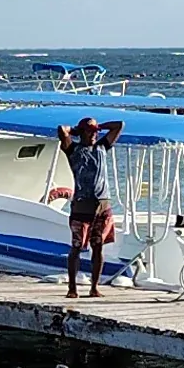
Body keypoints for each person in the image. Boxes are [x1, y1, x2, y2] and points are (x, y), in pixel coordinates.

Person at [55, 115, 123, 297]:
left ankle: (94, 287)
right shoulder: (73, 149)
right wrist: (75, 130)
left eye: (95, 132)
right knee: (77, 246)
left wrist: (98, 125)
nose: (93, 134)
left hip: (103, 205)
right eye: (90, 131)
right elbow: (62, 129)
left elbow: (119, 125)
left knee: (98, 246)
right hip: (82, 206)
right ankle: (72, 289)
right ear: (81, 132)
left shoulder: (102, 147)